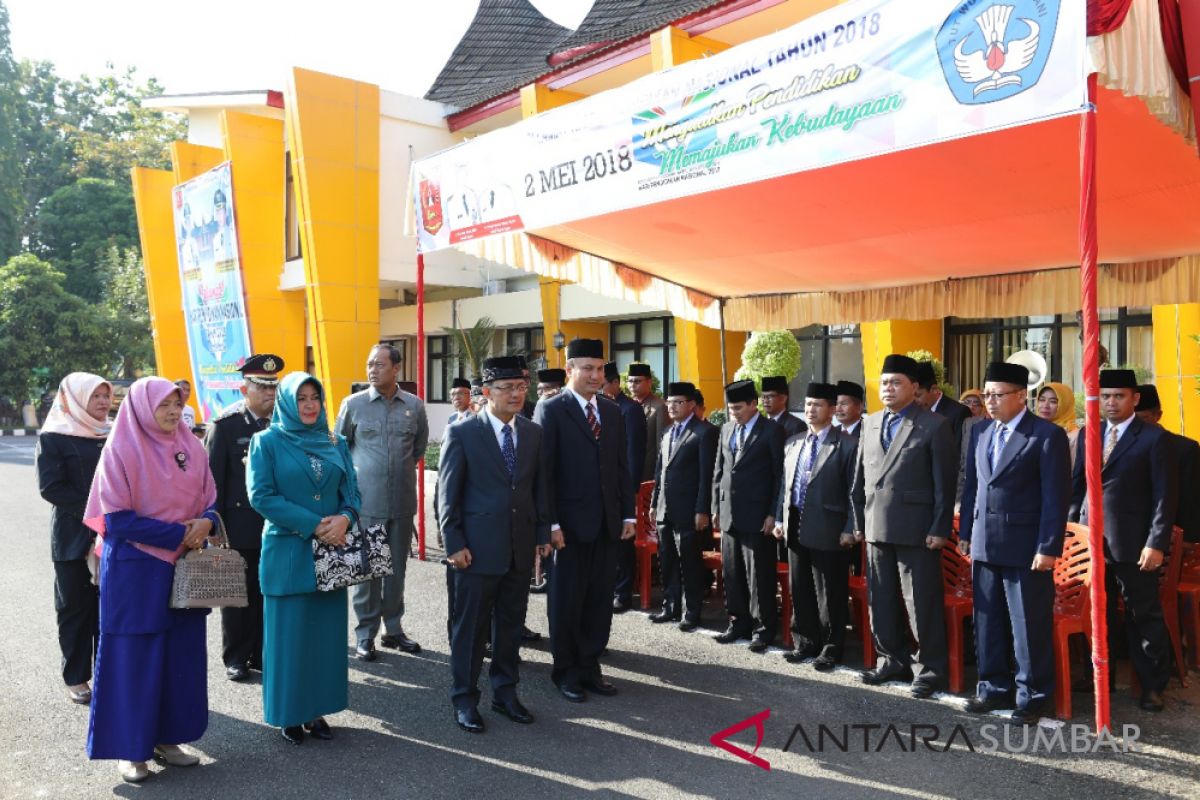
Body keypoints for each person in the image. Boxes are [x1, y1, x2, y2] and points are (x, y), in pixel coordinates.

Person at [83, 377, 216, 783]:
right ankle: (130, 750)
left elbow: (211, 498)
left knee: (179, 657)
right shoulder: (121, 449)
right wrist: (181, 533)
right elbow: (118, 520)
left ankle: (168, 739)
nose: (174, 412)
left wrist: (206, 521)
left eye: (177, 404)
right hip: (136, 571)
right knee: (134, 661)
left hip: (184, 567)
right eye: (165, 405)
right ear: (142, 407)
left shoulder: (190, 446)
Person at [248, 372, 361, 743]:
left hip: (332, 551)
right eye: (301, 399)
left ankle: (317, 710)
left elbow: (353, 494)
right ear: (285, 402)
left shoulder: (335, 440)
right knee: (289, 638)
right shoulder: (267, 442)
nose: (310, 405)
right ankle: (289, 715)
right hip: (289, 550)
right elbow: (261, 497)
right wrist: (315, 525)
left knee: (325, 638)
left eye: (315, 397)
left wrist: (345, 517)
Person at [439, 357, 549, 733]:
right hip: (475, 551)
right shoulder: (463, 433)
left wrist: (540, 536)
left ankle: (505, 693)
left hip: (518, 549)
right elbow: (447, 495)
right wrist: (453, 542)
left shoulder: (533, 433)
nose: (516, 394)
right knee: (469, 631)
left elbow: (536, 490)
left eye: (521, 387)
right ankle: (465, 699)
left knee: (510, 627)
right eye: (506, 388)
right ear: (486, 394)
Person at [959, 362, 1071, 725]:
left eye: (998, 394)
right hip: (984, 543)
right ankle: (993, 688)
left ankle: (1032, 696)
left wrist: (1049, 546)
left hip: (1026, 547)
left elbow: (1056, 497)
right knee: (987, 620)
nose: (990, 401)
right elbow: (975, 487)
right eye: (987, 394)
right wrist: (965, 534)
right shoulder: (981, 432)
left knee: (1027, 625)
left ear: (1022, 395)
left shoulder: (1044, 435)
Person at [533, 339, 635, 702]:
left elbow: (622, 467)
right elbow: (543, 474)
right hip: (568, 529)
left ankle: (590, 666)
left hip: (607, 524)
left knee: (598, 600)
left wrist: (627, 514)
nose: (595, 375)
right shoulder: (551, 409)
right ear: (569, 370)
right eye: (587, 368)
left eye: (600, 369)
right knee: (566, 601)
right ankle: (566, 672)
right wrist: (551, 525)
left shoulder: (611, 411)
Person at [1069, 370, 1177, 712]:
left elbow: (1164, 496)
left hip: (1135, 543)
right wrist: (1072, 530)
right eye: (1105, 396)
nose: (1111, 402)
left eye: (1118, 396)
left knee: (1141, 613)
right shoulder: (1090, 432)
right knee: (1097, 613)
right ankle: (1100, 675)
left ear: (1135, 399)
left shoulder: (1153, 437)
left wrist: (1156, 543)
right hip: (1091, 540)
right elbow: (1078, 487)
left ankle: (1152, 685)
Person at [852, 354, 955, 698]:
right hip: (875, 525)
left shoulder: (933, 424)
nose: (889, 388)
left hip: (917, 530)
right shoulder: (870, 423)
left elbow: (945, 483)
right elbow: (860, 479)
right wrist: (857, 521)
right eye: (884, 383)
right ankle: (890, 659)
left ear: (915, 388)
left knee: (920, 602)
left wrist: (940, 527)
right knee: (879, 599)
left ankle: (929, 668)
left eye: (897, 383)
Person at [335, 344, 429, 660]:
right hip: (368, 506)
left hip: (401, 505)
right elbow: (340, 452)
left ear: (396, 368)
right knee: (369, 573)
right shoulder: (354, 405)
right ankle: (365, 634)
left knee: (396, 572)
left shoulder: (414, 407)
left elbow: (417, 449)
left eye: (379, 364)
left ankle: (394, 630)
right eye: (369, 364)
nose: (372, 370)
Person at [204, 353, 282, 682]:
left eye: (273, 387)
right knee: (237, 597)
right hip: (237, 527)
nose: (269, 393)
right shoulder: (226, 426)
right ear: (243, 389)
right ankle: (236, 656)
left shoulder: (282, 424)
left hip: (275, 527)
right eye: (261, 387)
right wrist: (214, 527)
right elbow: (212, 483)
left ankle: (262, 653)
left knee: (267, 593)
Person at [36, 373, 112, 706]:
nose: (103, 403)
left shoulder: (114, 433)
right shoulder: (54, 436)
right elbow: (50, 487)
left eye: (106, 396)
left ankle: (110, 673)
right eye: (95, 396)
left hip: (116, 534)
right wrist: (96, 513)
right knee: (74, 609)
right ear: (77, 398)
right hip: (74, 537)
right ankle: (77, 676)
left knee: (109, 610)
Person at [774, 382, 857, 670]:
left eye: (818, 405)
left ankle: (831, 647)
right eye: (808, 404)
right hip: (796, 521)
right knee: (801, 586)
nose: (810, 409)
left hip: (830, 525)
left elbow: (854, 491)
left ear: (833, 409)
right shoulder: (794, 442)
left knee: (829, 589)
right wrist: (780, 519)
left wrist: (851, 526)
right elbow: (784, 485)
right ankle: (805, 641)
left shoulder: (846, 443)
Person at [712, 379, 786, 652]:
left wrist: (773, 513)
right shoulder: (727, 429)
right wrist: (715, 508)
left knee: (759, 576)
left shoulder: (772, 431)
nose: (735, 413)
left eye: (740, 408)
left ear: (754, 404)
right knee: (732, 573)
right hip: (730, 513)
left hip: (758, 516)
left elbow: (780, 476)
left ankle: (763, 629)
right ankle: (738, 622)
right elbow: (718, 472)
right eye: (731, 409)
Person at [648, 382, 718, 631]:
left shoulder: (704, 432)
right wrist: (655, 502)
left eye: (678, 402)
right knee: (666, 560)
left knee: (689, 562)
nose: (672, 406)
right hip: (666, 508)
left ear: (691, 405)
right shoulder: (668, 432)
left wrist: (702, 510)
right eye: (669, 402)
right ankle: (670, 606)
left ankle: (692, 611)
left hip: (689, 510)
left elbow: (706, 475)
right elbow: (660, 471)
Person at [602, 361, 648, 613]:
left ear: (614, 383)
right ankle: (610, 586)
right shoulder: (603, 407)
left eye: (603, 382)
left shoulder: (629, 410)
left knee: (623, 540)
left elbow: (634, 453)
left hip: (623, 486)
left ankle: (623, 591)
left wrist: (629, 487)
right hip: (604, 486)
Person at [1136, 384, 1199, 543]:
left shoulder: (1184, 449)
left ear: (1158, 415)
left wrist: (1186, 543)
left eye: (1142, 419)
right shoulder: (1117, 447)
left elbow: (1190, 502)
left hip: (1169, 540)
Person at [914, 361, 971, 452]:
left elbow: (959, 453)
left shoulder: (958, 413)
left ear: (934, 389)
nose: (914, 400)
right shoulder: (914, 413)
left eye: (918, 395)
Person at [1036, 383, 1080, 467]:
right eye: (1042, 400)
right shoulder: (1033, 430)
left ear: (1065, 404)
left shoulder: (1073, 436)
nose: (1045, 406)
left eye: (1053, 401)